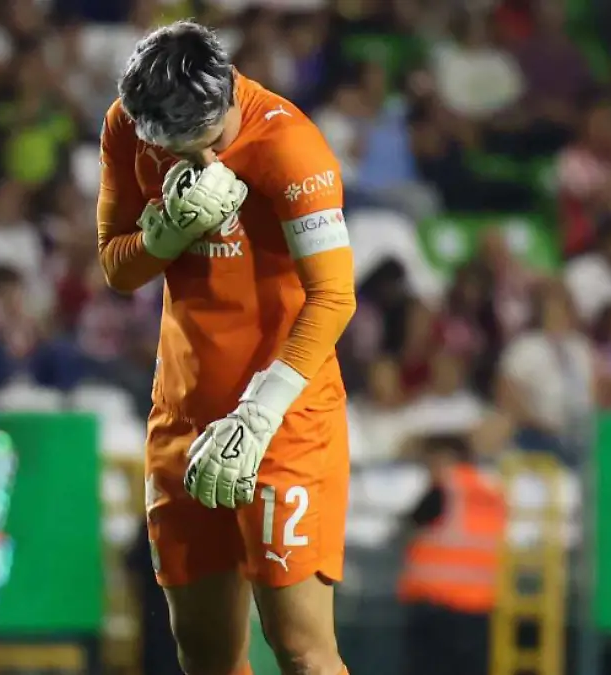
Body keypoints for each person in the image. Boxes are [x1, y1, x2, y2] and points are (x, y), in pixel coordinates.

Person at [97, 20, 355, 675]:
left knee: (301, 649)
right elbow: (116, 267)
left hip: (284, 419)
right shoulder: (126, 127)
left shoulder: (291, 146)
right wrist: (161, 234)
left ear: (230, 97)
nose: (204, 163)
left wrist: (261, 410)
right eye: (183, 153)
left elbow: (334, 296)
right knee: (205, 657)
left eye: (211, 142)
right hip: (182, 417)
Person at [398, 434, 505, 675]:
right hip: (480, 606)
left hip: (438, 604)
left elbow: (412, 521)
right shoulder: (490, 492)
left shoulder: (445, 489)